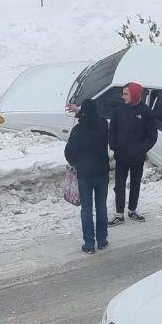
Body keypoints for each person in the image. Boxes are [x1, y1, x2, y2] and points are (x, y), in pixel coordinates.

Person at [64, 98, 110, 254]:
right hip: (102, 172)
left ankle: (89, 244)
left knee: (87, 209)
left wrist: (77, 163)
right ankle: (102, 240)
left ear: (82, 111)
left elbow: (69, 153)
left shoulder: (78, 130)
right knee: (101, 207)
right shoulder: (103, 124)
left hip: (85, 174)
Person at [108, 82, 158, 224]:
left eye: (125, 94)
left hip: (137, 157)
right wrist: (114, 146)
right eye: (123, 94)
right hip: (121, 156)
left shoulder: (146, 112)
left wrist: (142, 149)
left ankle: (132, 210)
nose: (122, 96)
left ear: (135, 94)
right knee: (119, 185)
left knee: (135, 184)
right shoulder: (119, 111)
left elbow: (152, 135)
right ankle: (119, 214)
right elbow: (112, 131)